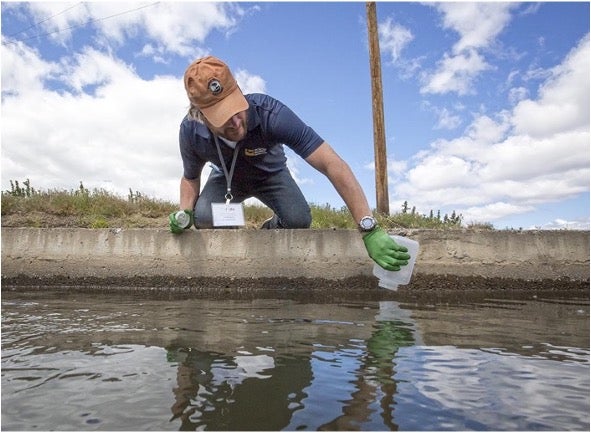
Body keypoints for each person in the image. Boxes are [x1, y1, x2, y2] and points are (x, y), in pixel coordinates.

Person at [169, 55, 409, 271]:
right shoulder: (190, 131)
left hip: (270, 175)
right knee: (202, 217)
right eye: (222, 116)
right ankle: (233, 231)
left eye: (235, 108)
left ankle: (270, 226)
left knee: (299, 220)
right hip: (227, 179)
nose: (236, 122)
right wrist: (184, 212)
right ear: (199, 115)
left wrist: (368, 227)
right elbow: (190, 177)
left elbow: (331, 163)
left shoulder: (271, 113)